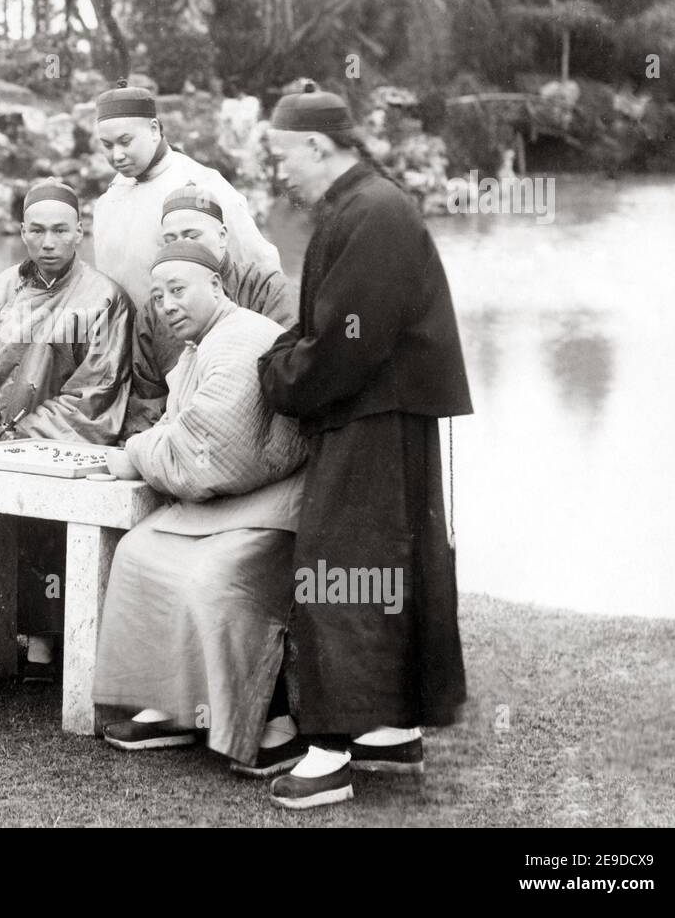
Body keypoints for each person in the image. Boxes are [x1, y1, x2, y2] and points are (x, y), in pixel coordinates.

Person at [257, 82, 473, 810]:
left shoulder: (372, 212)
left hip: (372, 421)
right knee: (382, 571)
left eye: (283, 155)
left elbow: (343, 350)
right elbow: (331, 329)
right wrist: (295, 354)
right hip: (387, 419)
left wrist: (277, 376)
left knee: (335, 574)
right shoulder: (366, 205)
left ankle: (328, 753)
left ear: (317, 146)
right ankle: (385, 727)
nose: (279, 171)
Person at [93, 240, 308, 771]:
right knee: (138, 553)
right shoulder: (199, 347)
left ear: (216, 286)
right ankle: (176, 706)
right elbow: (179, 426)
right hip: (221, 503)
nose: (166, 304)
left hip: (270, 506)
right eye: (158, 294)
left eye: (178, 290)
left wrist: (136, 453)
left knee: (212, 578)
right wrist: (148, 448)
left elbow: (216, 450)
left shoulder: (242, 338)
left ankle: (273, 721)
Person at [0, 180, 134, 678]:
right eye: (37, 230)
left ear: (79, 232)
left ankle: (49, 636)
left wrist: (21, 434)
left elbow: (95, 394)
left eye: (60, 231)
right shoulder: (2, 288)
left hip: (59, 442)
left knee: (49, 517)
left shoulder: (106, 298)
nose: (48, 243)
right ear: (22, 232)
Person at [125, 180, 298, 436]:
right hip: (173, 443)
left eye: (192, 236)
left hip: (256, 438)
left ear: (222, 237)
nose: (183, 246)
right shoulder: (154, 311)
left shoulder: (268, 289)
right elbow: (147, 400)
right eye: (170, 240)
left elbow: (287, 376)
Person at [92, 79, 283, 311]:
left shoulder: (201, 184)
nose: (117, 155)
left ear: (154, 129)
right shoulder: (113, 191)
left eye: (125, 141)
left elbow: (261, 267)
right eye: (107, 145)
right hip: (123, 336)